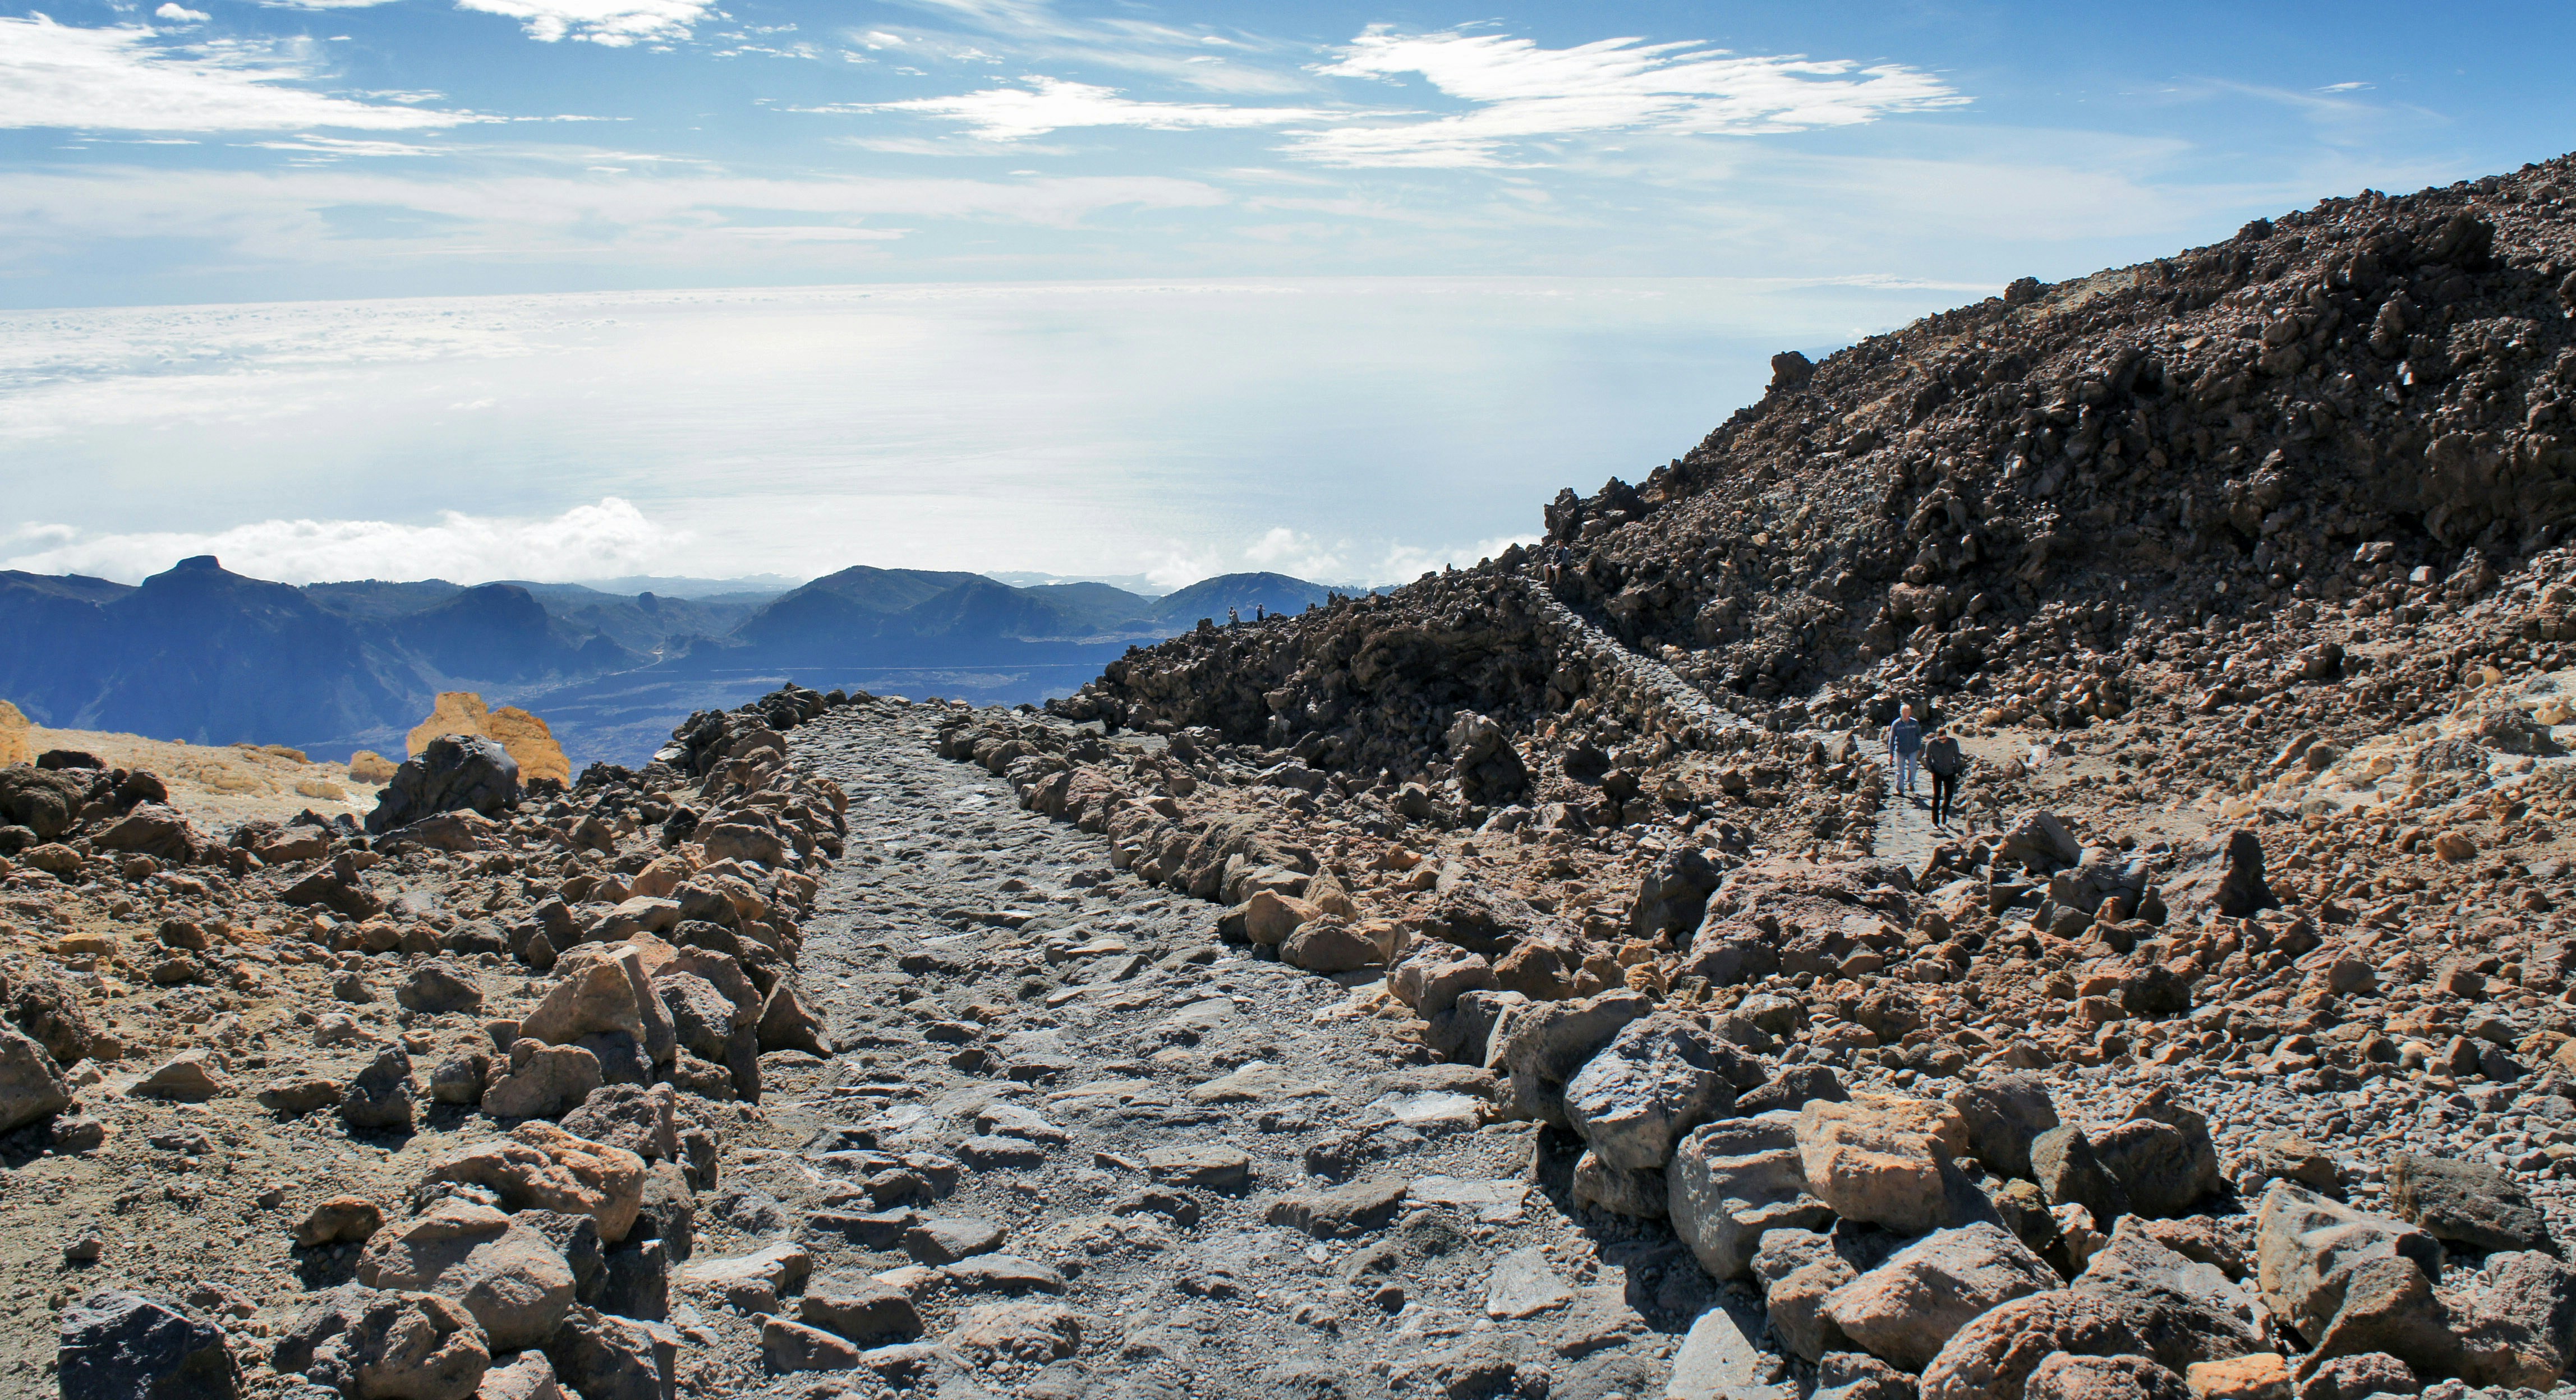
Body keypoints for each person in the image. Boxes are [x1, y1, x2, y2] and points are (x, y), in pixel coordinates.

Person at [1923, 724, 1964, 826]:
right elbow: (1927, 757)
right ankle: (1935, 821)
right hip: (1937, 771)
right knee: (1937, 796)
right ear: (1937, 737)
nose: (1942, 741)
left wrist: (1956, 767)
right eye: (1940, 739)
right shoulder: (1931, 744)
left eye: (1944, 739)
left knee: (1949, 796)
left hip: (1950, 771)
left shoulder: (1953, 742)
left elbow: (1957, 755)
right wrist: (1931, 769)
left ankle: (1944, 813)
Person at [1887, 703, 1924, 798]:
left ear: (1910, 713)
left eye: (1907, 712)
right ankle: (1900, 789)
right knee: (1900, 770)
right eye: (1904, 712)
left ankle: (1911, 783)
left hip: (1913, 750)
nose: (1905, 714)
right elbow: (1891, 739)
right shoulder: (1896, 724)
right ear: (1901, 713)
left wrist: (1919, 747)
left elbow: (1918, 735)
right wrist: (1890, 754)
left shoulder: (1915, 723)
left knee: (1912, 768)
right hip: (1900, 750)